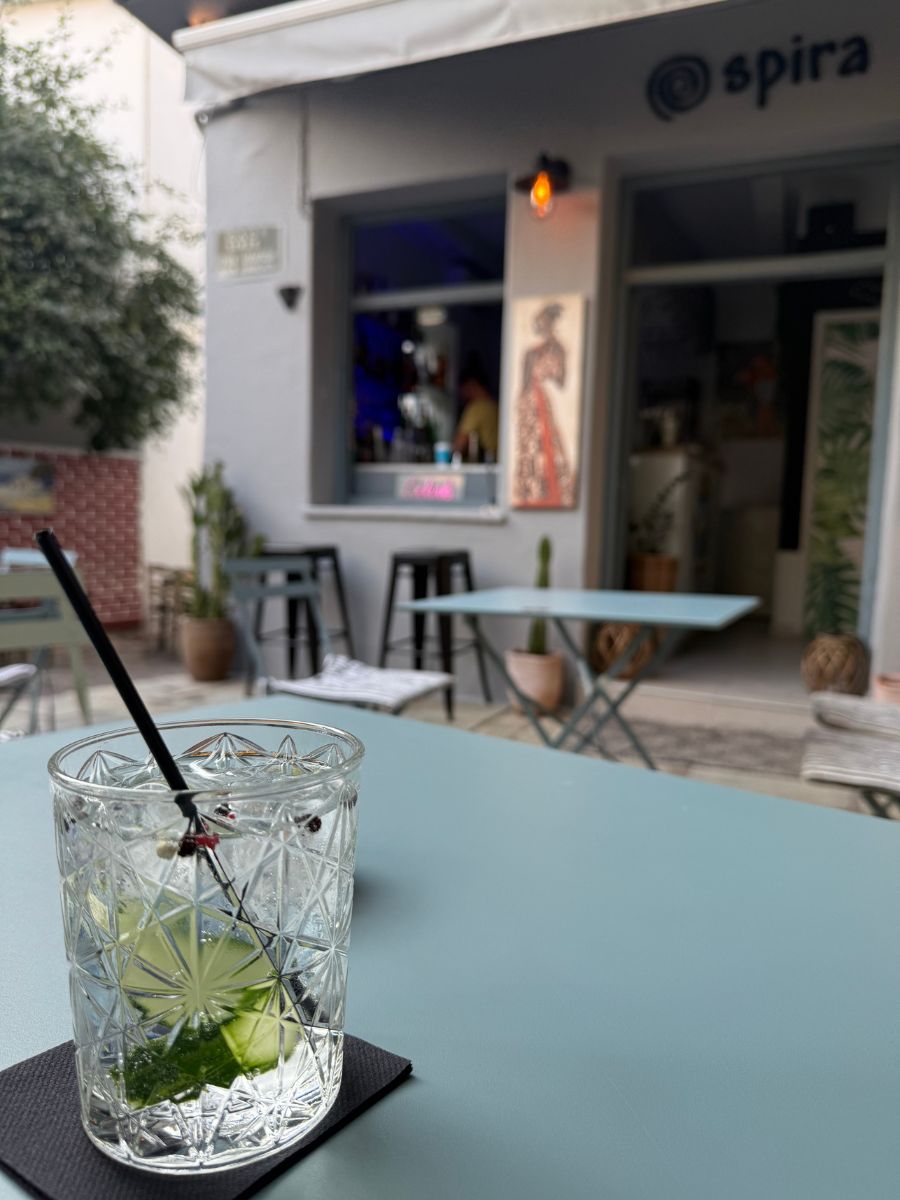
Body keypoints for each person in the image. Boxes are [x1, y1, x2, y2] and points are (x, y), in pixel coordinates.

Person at [513, 302, 573, 507]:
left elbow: (562, 381)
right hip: (530, 404)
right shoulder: (531, 353)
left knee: (547, 445)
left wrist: (547, 372)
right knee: (531, 448)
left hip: (542, 402)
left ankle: (549, 491)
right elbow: (523, 385)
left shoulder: (558, 350)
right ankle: (533, 490)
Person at [453, 364, 499, 460]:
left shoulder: (476, 408)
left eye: (463, 389)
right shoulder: (495, 405)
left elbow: (459, 444)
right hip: (500, 461)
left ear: (471, 385)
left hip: (488, 464)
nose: (462, 395)